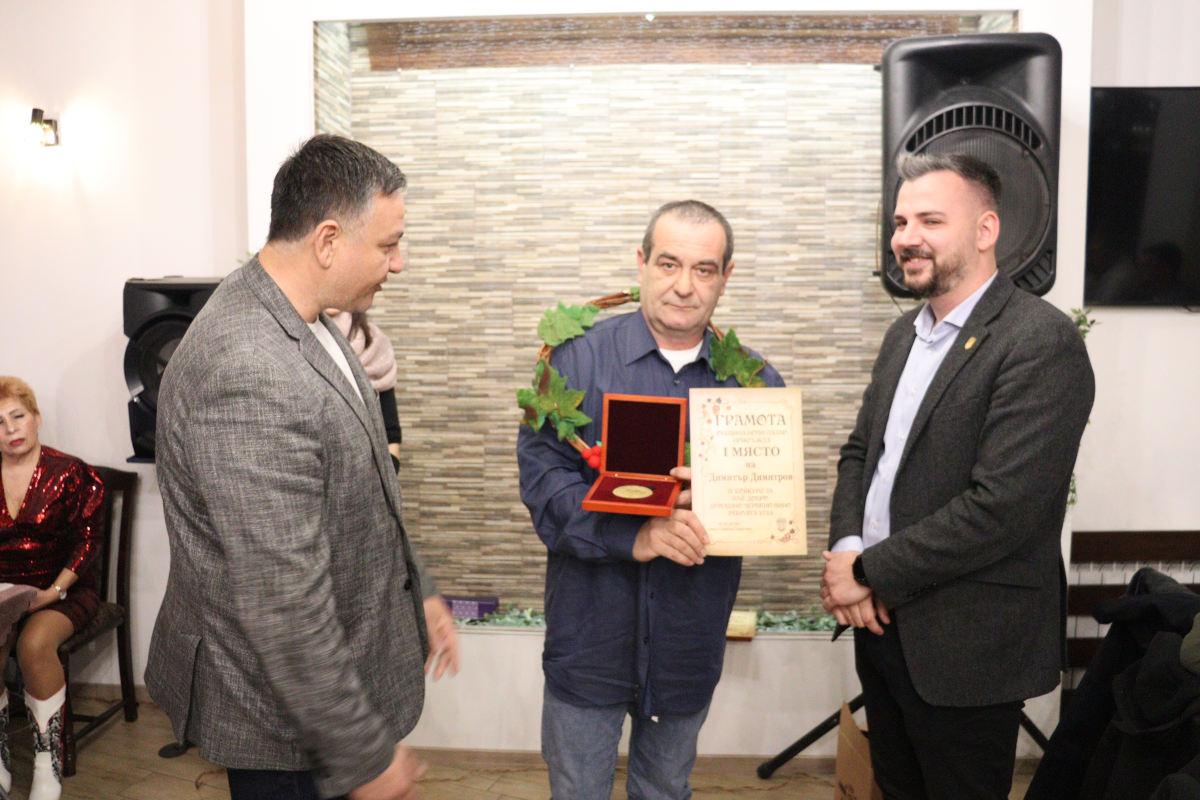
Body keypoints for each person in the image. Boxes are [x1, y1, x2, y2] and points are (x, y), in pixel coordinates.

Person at [145, 134, 459, 800]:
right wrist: (363, 755)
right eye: (388, 244)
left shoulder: (307, 316)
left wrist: (420, 586)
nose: (398, 263)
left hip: (332, 683)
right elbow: (282, 598)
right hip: (280, 727)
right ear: (327, 241)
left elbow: (369, 482)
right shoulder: (247, 368)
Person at [821, 152, 1095, 800]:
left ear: (985, 230)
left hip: (966, 648)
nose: (906, 238)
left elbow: (1001, 507)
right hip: (880, 628)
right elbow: (861, 454)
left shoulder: (1040, 341)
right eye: (900, 222)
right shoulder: (903, 335)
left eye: (930, 220)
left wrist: (865, 571)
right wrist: (847, 550)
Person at [517, 200, 785, 799]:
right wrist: (633, 536)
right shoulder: (574, 361)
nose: (684, 286)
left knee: (665, 789)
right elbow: (543, 482)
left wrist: (721, 496)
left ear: (726, 276)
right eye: (668, 264)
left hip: (687, 644)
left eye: (704, 269)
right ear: (641, 263)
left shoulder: (754, 387)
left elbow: (768, 505)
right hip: (589, 639)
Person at [0, 376, 104, 800]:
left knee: (34, 643)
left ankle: (48, 763)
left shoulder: (71, 472)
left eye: (18, 416)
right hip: (6, 594)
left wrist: (54, 591)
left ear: (37, 418)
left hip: (63, 590)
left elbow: (88, 542)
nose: (10, 429)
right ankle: (1, 756)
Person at [326, 310, 404, 471]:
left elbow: (390, 432)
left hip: (370, 474)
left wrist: (386, 471)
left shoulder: (374, 343)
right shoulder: (293, 340)